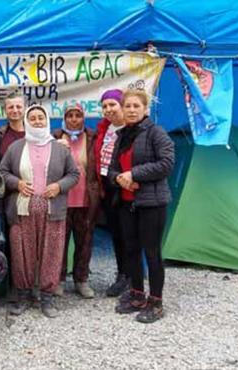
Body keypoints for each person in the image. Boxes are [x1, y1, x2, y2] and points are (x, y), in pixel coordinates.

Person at [0, 105, 80, 318]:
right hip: (22, 212)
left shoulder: (60, 149)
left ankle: (47, 298)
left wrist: (59, 186)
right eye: (32, 118)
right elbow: (2, 172)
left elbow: (73, 174)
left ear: (47, 120)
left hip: (53, 212)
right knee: (21, 254)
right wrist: (17, 183)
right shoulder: (16, 147)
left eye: (40, 117)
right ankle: (23, 295)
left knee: (51, 254)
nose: (36, 121)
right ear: (26, 121)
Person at [107, 90, 175, 323]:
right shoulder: (121, 136)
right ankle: (137, 294)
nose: (132, 110)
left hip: (151, 203)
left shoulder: (156, 133)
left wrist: (134, 174)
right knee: (131, 250)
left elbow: (166, 164)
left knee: (152, 252)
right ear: (123, 110)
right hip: (127, 203)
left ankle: (156, 302)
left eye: (137, 106)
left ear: (145, 109)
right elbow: (112, 169)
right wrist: (120, 178)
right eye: (128, 106)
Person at [52, 103, 100, 299]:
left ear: (83, 117)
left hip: (85, 199)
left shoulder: (92, 137)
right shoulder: (54, 137)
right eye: (69, 115)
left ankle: (81, 280)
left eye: (77, 115)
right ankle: (59, 279)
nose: (73, 119)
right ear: (64, 118)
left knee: (84, 242)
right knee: (60, 243)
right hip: (61, 199)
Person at [93, 88, 130, 297]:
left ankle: (131, 277)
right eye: (105, 106)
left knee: (128, 234)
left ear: (122, 105)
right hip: (107, 187)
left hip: (124, 187)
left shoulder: (132, 129)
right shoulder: (104, 129)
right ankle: (122, 274)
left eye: (112, 105)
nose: (108, 110)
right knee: (116, 233)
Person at [0, 94, 26, 159]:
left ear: (24, 109)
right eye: (11, 107)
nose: (15, 110)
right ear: (5, 110)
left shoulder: (34, 133)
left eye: (18, 107)